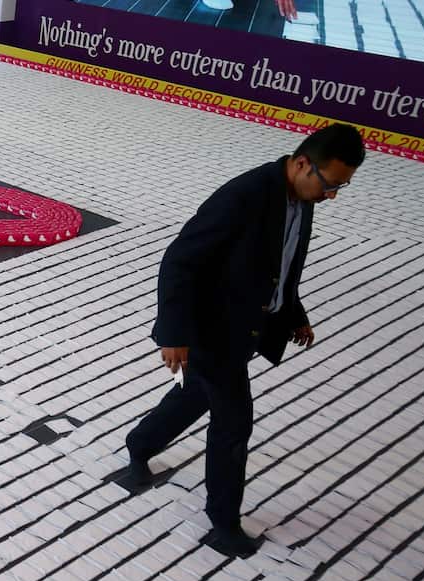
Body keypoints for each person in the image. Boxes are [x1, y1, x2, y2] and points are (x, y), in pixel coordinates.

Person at [125, 123, 365, 558]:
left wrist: (294, 314)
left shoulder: (301, 198)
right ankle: (224, 523)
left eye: (340, 188)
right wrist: (174, 332)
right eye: (330, 184)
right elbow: (181, 261)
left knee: (195, 394)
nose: (331, 196)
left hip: (243, 330)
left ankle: (139, 446)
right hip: (214, 330)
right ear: (300, 164)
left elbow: (282, 265)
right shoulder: (243, 196)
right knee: (234, 424)